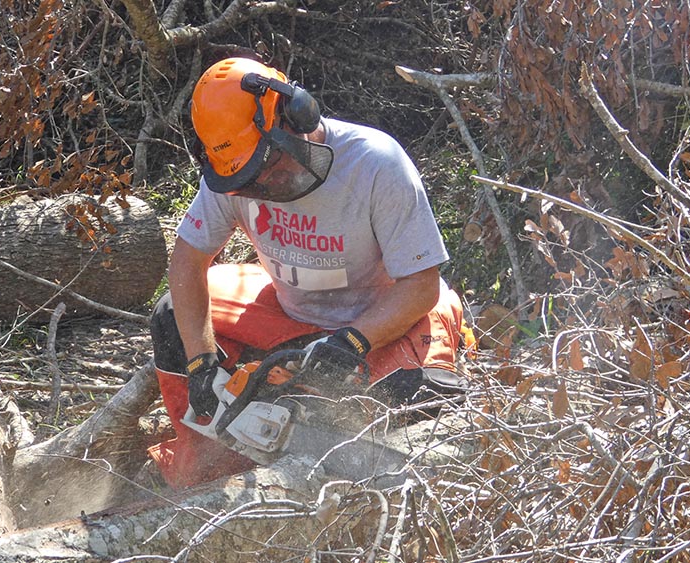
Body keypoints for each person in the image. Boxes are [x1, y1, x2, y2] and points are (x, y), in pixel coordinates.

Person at [147, 57, 470, 490]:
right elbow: (188, 262)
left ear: (296, 115)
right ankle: (204, 465)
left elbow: (421, 284)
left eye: (270, 164)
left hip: (386, 317)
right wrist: (201, 360)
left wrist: (353, 341)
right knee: (174, 316)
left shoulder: (374, 164)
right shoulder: (231, 170)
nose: (264, 185)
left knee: (421, 399)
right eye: (249, 178)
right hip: (287, 309)